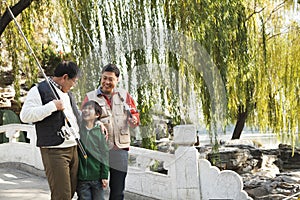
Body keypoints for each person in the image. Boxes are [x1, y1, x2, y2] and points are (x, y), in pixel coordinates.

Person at [20, 61, 81, 200]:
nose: (74, 85)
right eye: (74, 81)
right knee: (62, 196)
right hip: (54, 150)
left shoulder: (67, 94)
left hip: (73, 147)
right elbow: (25, 116)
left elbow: (75, 117)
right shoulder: (39, 90)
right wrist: (51, 106)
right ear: (65, 77)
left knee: (71, 192)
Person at [81, 63, 140, 200]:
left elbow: (135, 114)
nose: (107, 82)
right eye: (104, 78)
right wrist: (97, 122)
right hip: (98, 151)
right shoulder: (90, 97)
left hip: (120, 150)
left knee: (118, 191)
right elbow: (83, 120)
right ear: (101, 77)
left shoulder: (124, 96)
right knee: (96, 190)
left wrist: (134, 120)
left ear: (117, 80)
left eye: (111, 79)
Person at [77, 100, 109, 200]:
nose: (86, 110)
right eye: (84, 108)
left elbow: (104, 155)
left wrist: (104, 175)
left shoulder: (99, 132)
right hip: (82, 179)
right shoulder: (79, 129)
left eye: (90, 108)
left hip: (97, 178)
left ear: (97, 114)